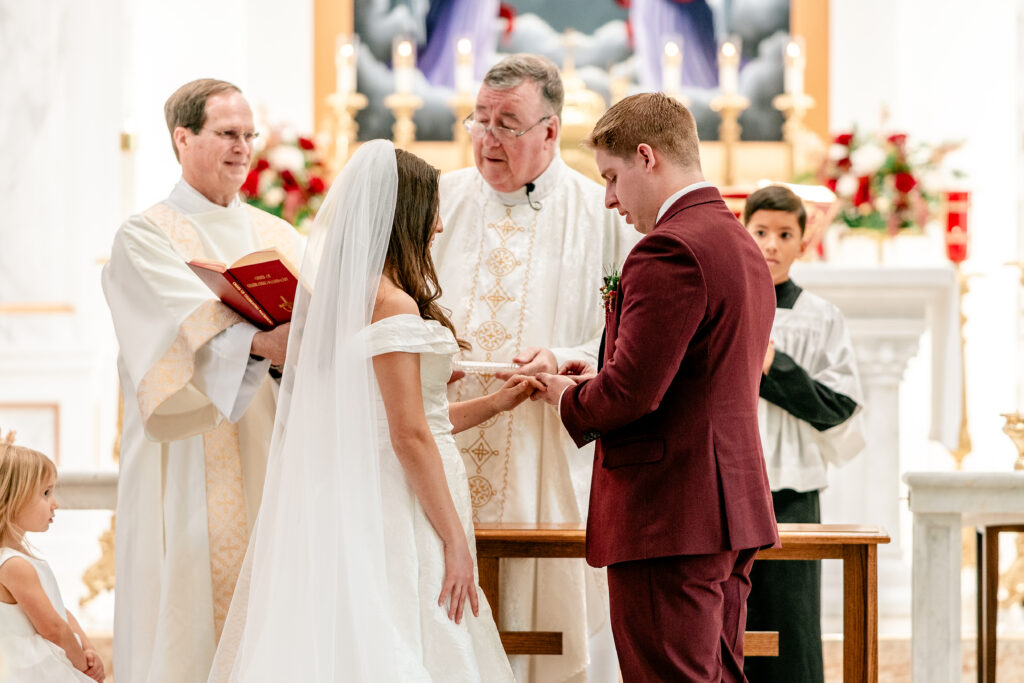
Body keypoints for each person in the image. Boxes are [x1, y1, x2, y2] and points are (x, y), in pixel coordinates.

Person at [209, 140, 542, 681]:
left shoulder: (348, 298)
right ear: (404, 214)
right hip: (405, 507)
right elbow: (409, 436)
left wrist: (498, 401)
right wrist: (456, 541)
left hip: (369, 492)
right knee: (420, 633)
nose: (438, 226)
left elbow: (414, 422)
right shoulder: (393, 303)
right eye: (431, 210)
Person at [534, 93, 779, 682]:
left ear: (647, 157)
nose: (611, 198)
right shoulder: (738, 239)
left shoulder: (668, 247)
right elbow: (693, 377)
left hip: (667, 514)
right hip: (725, 507)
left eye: (613, 178)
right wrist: (599, 376)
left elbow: (632, 395)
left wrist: (562, 396)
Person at [433, 53, 636, 683]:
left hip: (544, 452)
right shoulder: (438, 199)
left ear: (550, 130)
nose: (488, 139)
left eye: (507, 123)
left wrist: (564, 356)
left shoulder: (599, 211)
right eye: (480, 120)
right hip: (444, 439)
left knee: (541, 609)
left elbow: (627, 332)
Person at [101, 79, 303, 683]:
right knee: (185, 602)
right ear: (182, 138)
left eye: (248, 135)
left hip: (270, 440)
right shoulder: (145, 234)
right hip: (185, 452)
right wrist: (265, 341)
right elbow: (179, 323)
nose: (243, 148)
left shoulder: (280, 236)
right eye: (227, 134)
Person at [741, 185, 865, 682]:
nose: (771, 245)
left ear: (802, 241)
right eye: (761, 232)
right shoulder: (723, 307)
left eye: (784, 234)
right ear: (743, 234)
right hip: (731, 484)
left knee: (792, 620)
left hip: (793, 490)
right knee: (733, 619)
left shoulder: (820, 317)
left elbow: (838, 406)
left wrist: (772, 364)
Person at [0, 432, 105, 682]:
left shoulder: (22, 558)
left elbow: (61, 614)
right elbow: (54, 629)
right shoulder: (13, 565)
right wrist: (81, 668)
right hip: (34, 672)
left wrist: (88, 648)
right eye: (46, 493)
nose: (55, 503)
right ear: (14, 499)